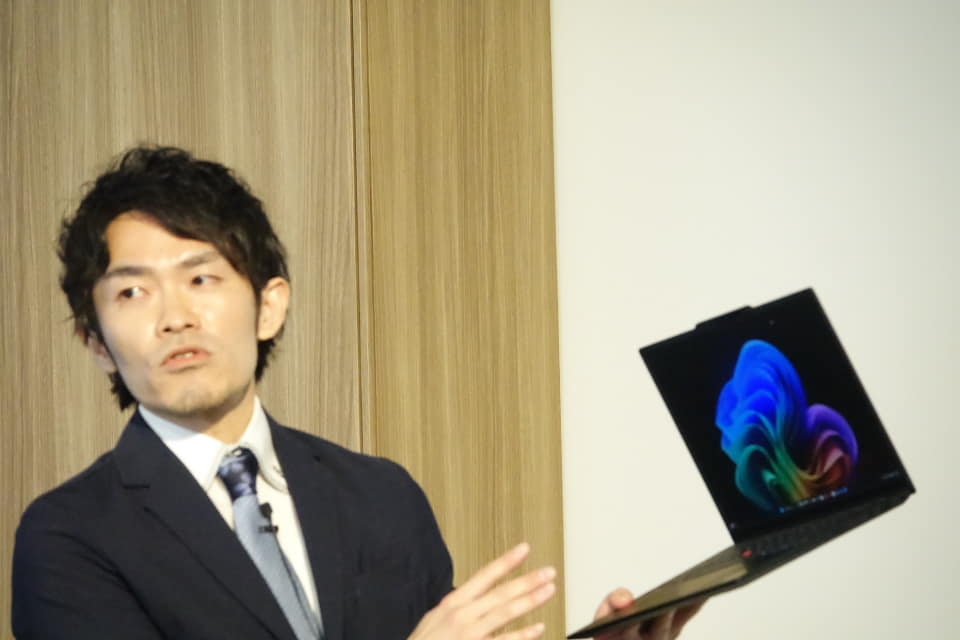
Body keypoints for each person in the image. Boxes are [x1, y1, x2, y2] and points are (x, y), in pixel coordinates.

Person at [11, 146, 701, 639]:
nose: (174, 316)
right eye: (132, 292)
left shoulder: (382, 496)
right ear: (95, 341)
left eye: (201, 278)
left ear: (269, 305)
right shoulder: (69, 536)